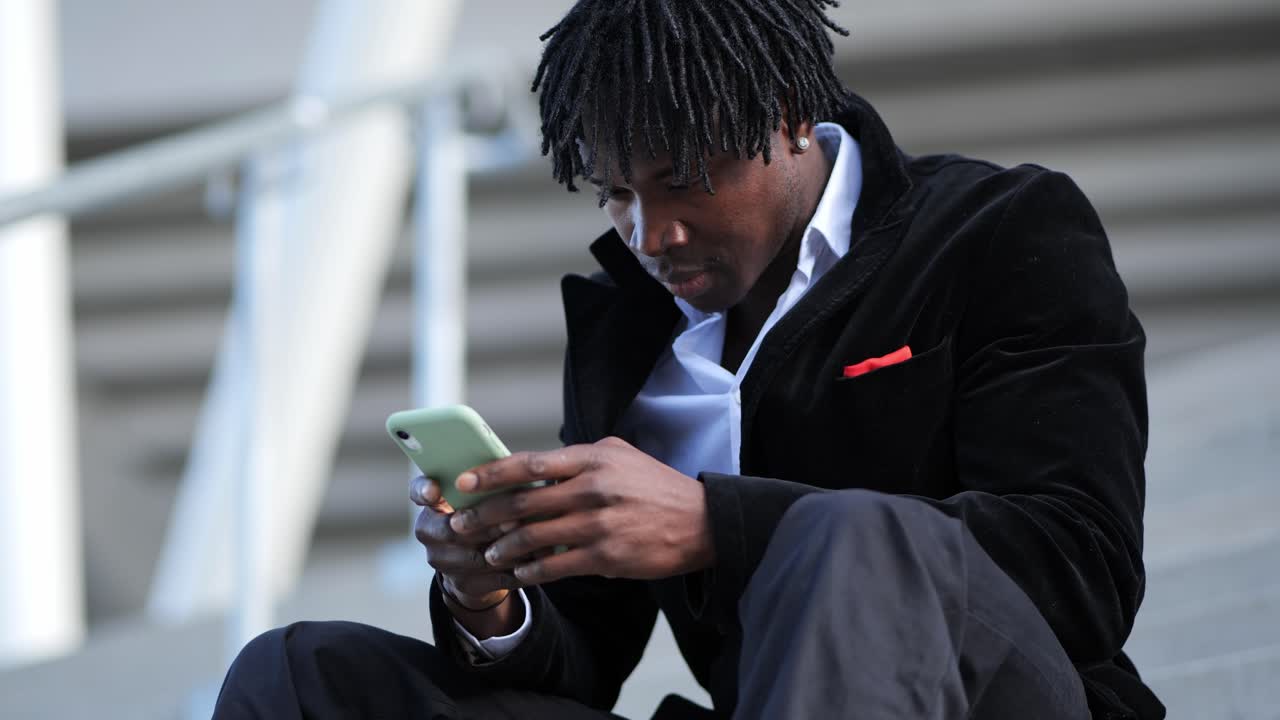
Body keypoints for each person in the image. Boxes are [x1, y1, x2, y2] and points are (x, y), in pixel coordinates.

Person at [213, 1, 1167, 718]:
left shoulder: (997, 232)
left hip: (1006, 699)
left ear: (789, 113)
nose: (650, 232)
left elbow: (1079, 566)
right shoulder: (629, 337)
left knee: (853, 540)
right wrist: (491, 595)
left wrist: (721, 524)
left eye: (684, 183)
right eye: (616, 193)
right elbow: (583, 664)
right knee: (296, 676)